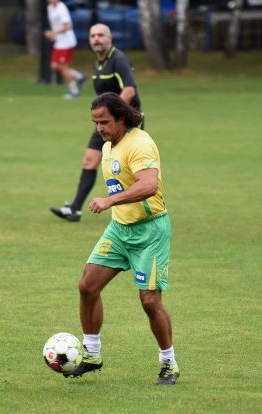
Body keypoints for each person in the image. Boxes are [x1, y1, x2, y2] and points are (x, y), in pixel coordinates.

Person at [63, 92, 179, 385]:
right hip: (119, 229)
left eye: (104, 122)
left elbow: (149, 185)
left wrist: (109, 201)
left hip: (150, 230)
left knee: (150, 301)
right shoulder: (107, 146)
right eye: (95, 123)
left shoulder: (139, 143)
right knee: (87, 285)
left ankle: (169, 363)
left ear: (121, 118)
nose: (99, 128)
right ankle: (91, 354)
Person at [50, 23, 141, 221]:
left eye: (101, 35)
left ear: (110, 38)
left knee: (127, 168)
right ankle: (75, 209)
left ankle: (138, 210)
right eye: (93, 36)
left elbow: (129, 90)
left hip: (124, 123)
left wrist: (114, 114)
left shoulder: (118, 59)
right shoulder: (98, 62)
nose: (96, 39)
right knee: (89, 160)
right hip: (106, 123)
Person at [44, 0, 86, 99]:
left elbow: (67, 26)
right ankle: (80, 76)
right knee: (54, 66)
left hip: (66, 42)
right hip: (59, 42)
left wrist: (54, 32)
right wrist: (53, 35)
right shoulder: (49, 8)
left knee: (63, 67)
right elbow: (55, 25)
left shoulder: (61, 7)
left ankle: (74, 91)